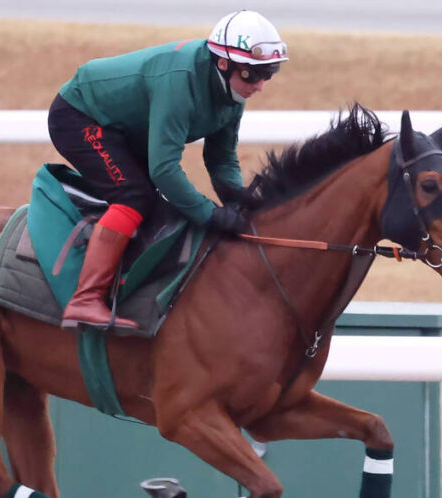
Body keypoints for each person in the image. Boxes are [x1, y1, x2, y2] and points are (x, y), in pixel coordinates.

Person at [48, 10, 288, 332]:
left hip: (125, 128)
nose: (259, 85)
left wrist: (237, 202)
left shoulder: (233, 92)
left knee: (157, 205)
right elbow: (164, 168)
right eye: (252, 75)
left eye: (267, 75)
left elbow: (222, 159)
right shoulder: (180, 81)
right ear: (223, 63)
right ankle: (84, 299)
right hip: (80, 116)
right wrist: (210, 215)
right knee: (134, 197)